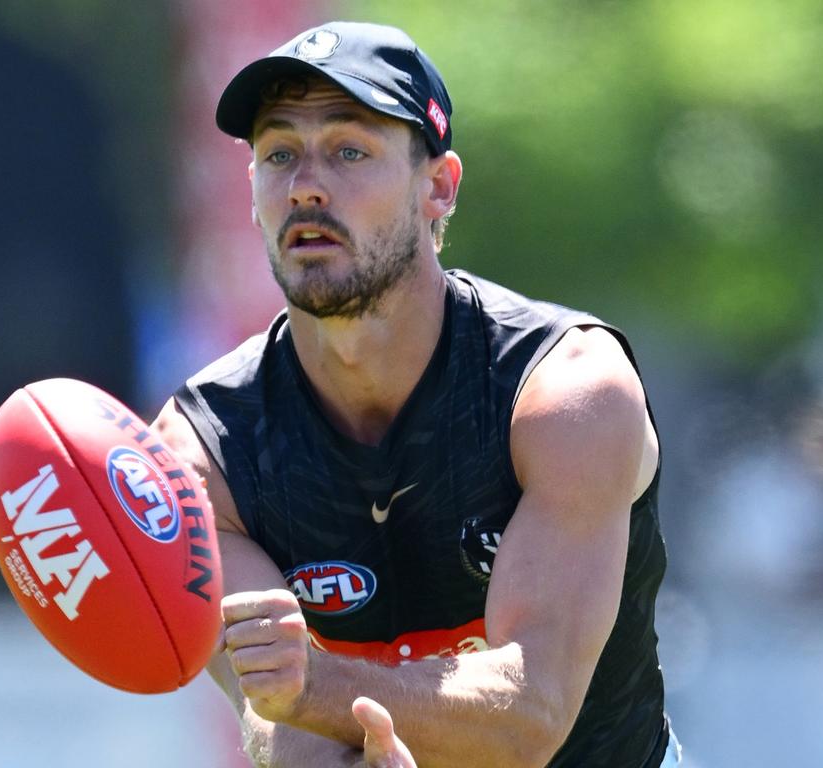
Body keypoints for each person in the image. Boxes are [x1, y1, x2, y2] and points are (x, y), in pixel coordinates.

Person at [154, 20, 682, 768]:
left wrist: (314, 684)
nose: (306, 183)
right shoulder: (202, 451)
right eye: (279, 155)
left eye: (349, 151)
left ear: (439, 187)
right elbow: (276, 720)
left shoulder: (566, 393)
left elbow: (531, 715)